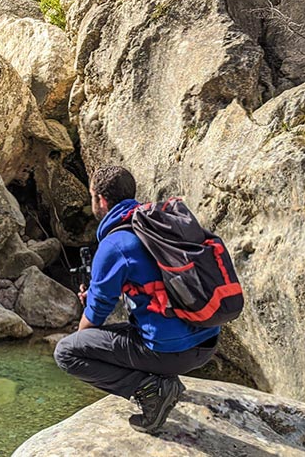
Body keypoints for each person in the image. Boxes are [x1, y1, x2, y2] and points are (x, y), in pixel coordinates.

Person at [54, 165, 220, 434]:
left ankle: (153, 390)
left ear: (101, 200)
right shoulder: (160, 225)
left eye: (92, 196)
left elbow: (95, 315)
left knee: (67, 352)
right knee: (135, 332)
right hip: (208, 342)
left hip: (173, 354)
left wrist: (82, 340)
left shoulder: (115, 244)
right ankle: (161, 379)